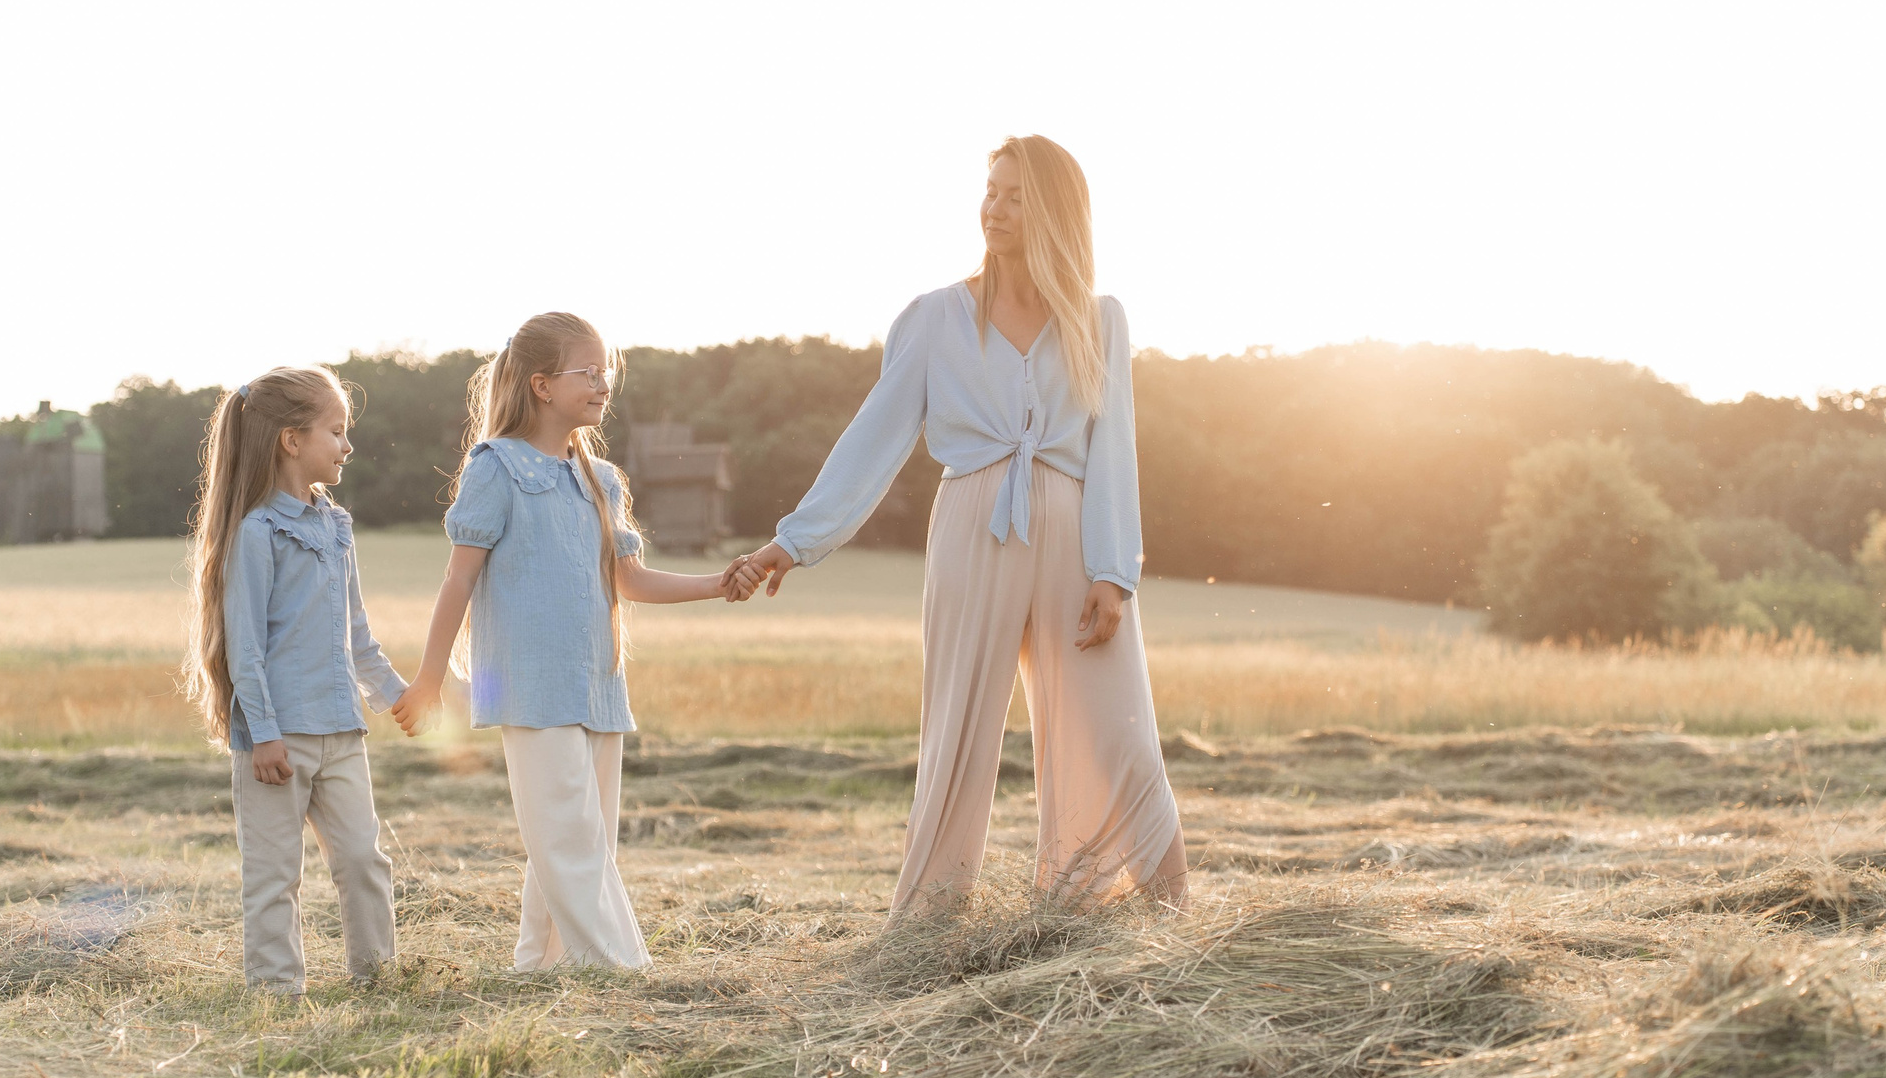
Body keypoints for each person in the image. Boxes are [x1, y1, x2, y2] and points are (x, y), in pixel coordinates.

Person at [726, 136, 1189, 915]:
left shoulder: (1099, 319)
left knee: (1119, 728)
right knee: (960, 732)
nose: (995, 209)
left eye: (1016, 196)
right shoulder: (936, 317)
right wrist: (796, 541)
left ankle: (1144, 905)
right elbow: (874, 438)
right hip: (974, 523)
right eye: (991, 190)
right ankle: (929, 922)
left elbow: (1115, 448)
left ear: (1055, 213)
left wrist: (1114, 571)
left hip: (1076, 536)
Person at [390, 312, 732, 971]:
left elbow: (629, 581)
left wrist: (719, 582)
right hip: (531, 684)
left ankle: (538, 970)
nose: (604, 383)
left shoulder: (600, 480)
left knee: (582, 840)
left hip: (598, 685)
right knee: (569, 839)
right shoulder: (495, 467)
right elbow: (459, 579)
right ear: (542, 386)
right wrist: (430, 680)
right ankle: (622, 974)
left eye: (608, 371)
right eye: (589, 371)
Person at [182, 365, 404, 996]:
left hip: (343, 730)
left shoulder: (338, 527)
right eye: (336, 431)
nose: (347, 445)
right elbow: (245, 648)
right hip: (277, 741)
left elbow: (356, 633)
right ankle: (278, 996)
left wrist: (395, 694)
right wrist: (267, 736)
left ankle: (378, 980)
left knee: (363, 860)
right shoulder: (256, 533)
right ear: (291, 441)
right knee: (275, 875)